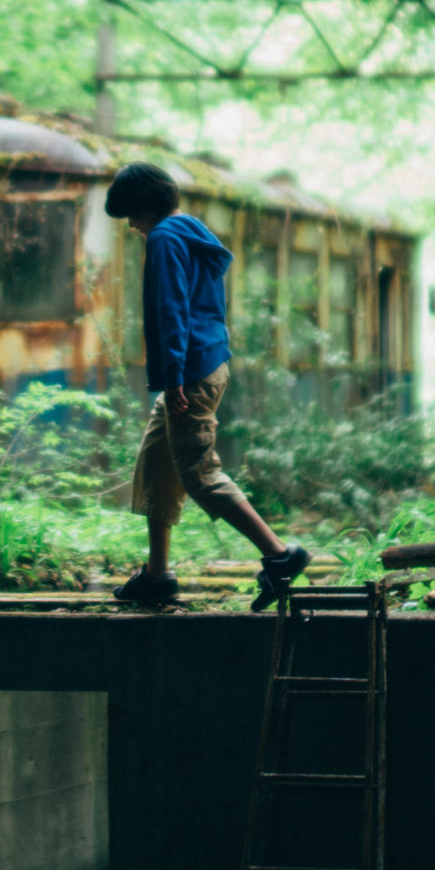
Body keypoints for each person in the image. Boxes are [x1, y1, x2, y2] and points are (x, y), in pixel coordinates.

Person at [105, 161, 309, 610]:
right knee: (157, 463)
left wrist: (175, 376)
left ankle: (279, 556)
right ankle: (157, 575)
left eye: (131, 218)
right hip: (208, 361)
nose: (134, 228)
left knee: (199, 472)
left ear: (143, 208)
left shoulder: (162, 238)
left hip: (191, 372)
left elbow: (172, 310)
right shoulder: (190, 229)